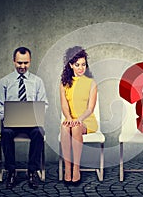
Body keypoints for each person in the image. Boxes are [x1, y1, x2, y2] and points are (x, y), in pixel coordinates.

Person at [0, 47, 48, 189]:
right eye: (19, 63)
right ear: (14, 61)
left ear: (30, 62)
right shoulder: (5, 81)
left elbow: (44, 104)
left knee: (38, 133)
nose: (22, 66)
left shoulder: (37, 82)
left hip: (31, 123)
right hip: (11, 123)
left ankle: (32, 171)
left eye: (26, 63)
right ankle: (11, 172)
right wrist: (8, 115)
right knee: (6, 133)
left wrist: (36, 114)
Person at [60, 46, 98, 185]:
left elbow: (90, 109)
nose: (81, 68)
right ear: (71, 65)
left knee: (76, 128)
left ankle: (76, 168)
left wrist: (78, 120)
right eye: (77, 65)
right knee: (64, 127)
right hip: (72, 119)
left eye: (83, 64)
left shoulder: (91, 83)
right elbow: (64, 105)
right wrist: (69, 119)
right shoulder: (64, 83)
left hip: (87, 120)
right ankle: (67, 167)